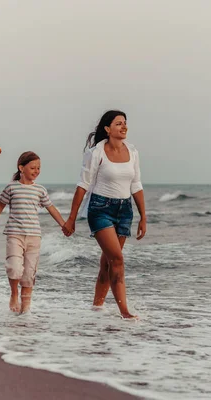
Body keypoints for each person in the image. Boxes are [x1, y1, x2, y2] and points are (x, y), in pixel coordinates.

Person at [62, 110, 147, 319]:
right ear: (108, 129)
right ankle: (124, 311)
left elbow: (136, 184)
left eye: (125, 123)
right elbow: (83, 184)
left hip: (125, 210)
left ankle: (97, 307)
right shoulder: (96, 152)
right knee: (117, 259)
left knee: (108, 262)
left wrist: (143, 217)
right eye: (119, 123)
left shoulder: (133, 151)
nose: (124, 126)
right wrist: (72, 218)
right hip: (100, 209)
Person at [0, 151, 67, 314]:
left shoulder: (40, 190)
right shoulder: (11, 187)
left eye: (38, 168)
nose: (36, 171)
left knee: (28, 274)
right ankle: (14, 294)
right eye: (32, 167)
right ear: (21, 168)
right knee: (14, 268)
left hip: (34, 236)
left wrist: (64, 224)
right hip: (15, 235)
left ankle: (25, 311)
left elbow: (51, 208)